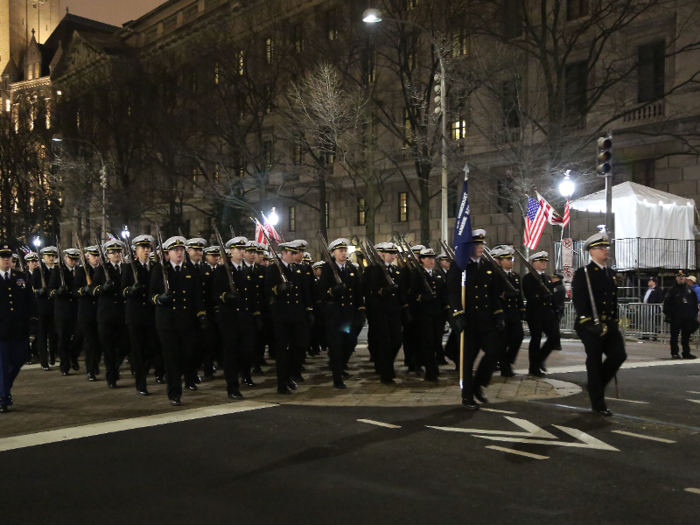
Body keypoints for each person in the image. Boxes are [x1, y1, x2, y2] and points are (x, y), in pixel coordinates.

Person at [572, 232, 627, 416]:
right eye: (601, 248)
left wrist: (615, 320)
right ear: (592, 252)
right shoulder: (584, 273)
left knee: (618, 355)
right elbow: (579, 300)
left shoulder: (610, 273)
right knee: (594, 361)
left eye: (606, 247)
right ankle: (598, 402)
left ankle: (595, 384)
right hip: (590, 324)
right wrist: (588, 321)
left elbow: (612, 300)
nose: (605, 250)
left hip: (608, 323)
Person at [447, 230, 504, 410]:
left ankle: (479, 383)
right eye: (476, 244)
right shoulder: (459, 266)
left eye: (482, 244)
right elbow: (453, 293)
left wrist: (499, 313)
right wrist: (457, 314)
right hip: (468, 321)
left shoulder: (487, 267)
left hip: (485, 320)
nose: (481, 247)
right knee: (467, 360)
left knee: (494, 351)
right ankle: (467, 395)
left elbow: (494, 294)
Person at [150, 236, 207, 406]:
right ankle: (174, 392)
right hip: (167, 322)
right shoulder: (160, 270)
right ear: (169, 253)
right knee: (171, 358)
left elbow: (197, 295)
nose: (180, 253)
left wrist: (201, 314)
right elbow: (150, 294)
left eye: (182, 250)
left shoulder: (189, 270)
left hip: (187, 321)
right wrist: (160, 298)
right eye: (176, 250)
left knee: (187, 355)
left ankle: (179, 379)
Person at [212, 236, 261, 399]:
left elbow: (252, 296)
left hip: (245, 319)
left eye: (243, 249)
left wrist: (256, 314)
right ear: (231, 251)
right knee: (231, 355)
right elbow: (215, 293)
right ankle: (232, 387)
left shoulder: (247, 271)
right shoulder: (222, 271)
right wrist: (226, 296)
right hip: (230, 320)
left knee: (246, 351)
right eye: (239, 249)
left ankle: (243, 376)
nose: (242, 252)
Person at [265, 241, 313, 394]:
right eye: (291, 253)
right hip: (282, 315)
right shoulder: (273, 269)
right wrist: (279, 289)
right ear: (283, 253)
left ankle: (290, 374)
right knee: (282, 351)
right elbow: (267, 290)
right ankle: (282, 383)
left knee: (300, 346)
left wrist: (309, 310)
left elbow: (305, 292)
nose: (294, 256)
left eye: (295, 253)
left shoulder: (298, 270)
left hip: (298, 315)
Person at [319, 238, 365, 389]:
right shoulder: (328, 269)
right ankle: (337, 377)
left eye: (345, 251)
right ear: (333, 253)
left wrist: (361, 309)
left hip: (349, 314)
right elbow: (322, 292)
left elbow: (358, 291)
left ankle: (340, 364)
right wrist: (333, 291)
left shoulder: (351, 269)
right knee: (336, 346)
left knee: (350, 343)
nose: (344, 253)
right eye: (341, 251)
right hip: (335, 314)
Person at [122, 235, 162, 396]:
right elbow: (123, 290)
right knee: (138, 350)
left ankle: (148, 372)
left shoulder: (155, 267)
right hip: (136, 315)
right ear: (136, 251)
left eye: (148, 248)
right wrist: (132, 290)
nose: (146, 251)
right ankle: (141, 383)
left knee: (152, 348)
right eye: (143, 248)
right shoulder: (129, 268)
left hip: (152, 314)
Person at [0, 243, 37, 413]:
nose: (6, 260)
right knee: (2, 364)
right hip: (1, 330)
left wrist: (33, 319)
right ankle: (3, 397)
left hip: (19, 329)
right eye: (3, 257)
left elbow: (30, 300)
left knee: (19, 360)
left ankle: (4, 387)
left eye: (9, 257)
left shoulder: (20, 277)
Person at [90, 239, 131, 388]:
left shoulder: (127, 268)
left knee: (125, 345)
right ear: (107, 254)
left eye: (118, 251)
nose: (116, 254)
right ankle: (111, 377)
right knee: (108, 347)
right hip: (106, 314)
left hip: (122, 314)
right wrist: (103, 288)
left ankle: (115, 366)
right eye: (113, 252)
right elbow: (92, 289)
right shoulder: (101, 269)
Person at [366, 242, 407, 384]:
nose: (393, 256)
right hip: (380, 311)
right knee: (385, 342)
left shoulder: (396, 269)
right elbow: (369, 288)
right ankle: (386, 374)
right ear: (382, 254)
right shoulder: (374, 269)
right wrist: (382, 291)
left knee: (396, 341)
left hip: (394, 311)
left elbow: (401, 291)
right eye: (390, 253)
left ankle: (384, 364)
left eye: (394, 253)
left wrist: (405, 307)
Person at [411, 247, 449, 383]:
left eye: (433, 258)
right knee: (427, 343)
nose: (432, 260)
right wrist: (422, 297)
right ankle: (430, 371)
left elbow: (443, 293)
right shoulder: (417, 274)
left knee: (436, 341)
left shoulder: (437, 274)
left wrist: (447, 309)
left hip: (437, 313)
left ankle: (432, 367)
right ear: (422, 260)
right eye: (428, 258)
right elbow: (412, 293)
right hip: (424, 313)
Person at [522, 251, 560, 377]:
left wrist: (556, 309)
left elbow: (552, 296)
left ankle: (540, 359)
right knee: (536, 339)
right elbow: (530, 295)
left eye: (545, 261)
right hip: (535, 313)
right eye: (541, 261)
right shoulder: (528, 278)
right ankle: (533, 367)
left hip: (547, 313)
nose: (544, 263)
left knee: (554, 337)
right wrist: (541, 296)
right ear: (534, 263)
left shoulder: (547, 278)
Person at [491, 245, 524, 377]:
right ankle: (505, 368)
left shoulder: (515, 276)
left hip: (514, 313)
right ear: (501, 261)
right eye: (508, 259)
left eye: (512, 259)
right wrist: (504, 296)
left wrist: (522, 309)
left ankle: (506, 360)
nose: (511, 261)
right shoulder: (496, 276)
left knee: (518, 337)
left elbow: (519, 295)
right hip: (503, 312)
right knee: (503, 341)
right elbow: (495, 294)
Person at [49, 247, 81, 375]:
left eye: (76, 259)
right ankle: (64, 365)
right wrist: (58, 292)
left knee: (80, 335)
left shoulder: (80, 271)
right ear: (66, 258)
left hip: (77, 309)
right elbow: (50, 289)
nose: (74, 262)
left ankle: (73, 355)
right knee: (63, 338)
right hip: (63, 309)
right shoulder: (58, 271)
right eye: (72, 259)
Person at [75, 245, 101, 381]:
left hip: (100, 311)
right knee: (90, 342)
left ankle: (95, 364)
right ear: (87, 257)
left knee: (99, 342)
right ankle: (90, 370)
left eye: (98, 256)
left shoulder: (102, 270)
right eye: (94, 256)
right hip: (86, 312)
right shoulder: (82, 271)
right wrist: (83, 290)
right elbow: (74, 290)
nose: (96, 258)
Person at [32, 246, 59, 370]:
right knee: (42, 335)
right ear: (43, 257)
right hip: (42, 307)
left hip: (55, 306)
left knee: (54, 334)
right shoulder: (38, 271)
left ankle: (52, 355)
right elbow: (32, 288)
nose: (52, 258)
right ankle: (44, 362)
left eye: (53, 256)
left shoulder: (58, 270)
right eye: (49, 256)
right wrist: (39, 291)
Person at [663, 270, 698, 360]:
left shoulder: (690, 290)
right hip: (676, 318)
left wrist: (694, 315)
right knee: (674, 336)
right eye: (679, 276)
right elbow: (667, 304)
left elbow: (694, 304)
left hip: (688, 318)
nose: (681, 278)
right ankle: (674, 353)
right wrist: (669, 315)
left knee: (686, 336)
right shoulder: (672, 290)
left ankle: (686, 352)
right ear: (676, 278)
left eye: (682, 276)